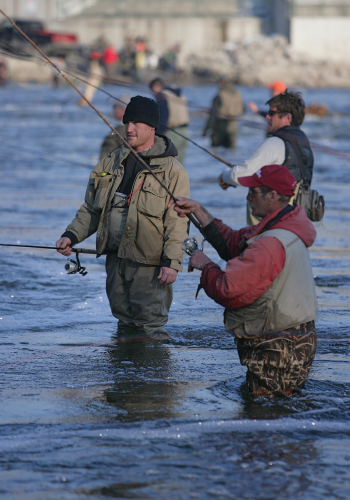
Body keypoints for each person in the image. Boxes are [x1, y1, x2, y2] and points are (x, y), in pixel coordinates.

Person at [170, 164, 318, 397]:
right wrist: (198, 210)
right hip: (299, 337)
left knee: (264, 417)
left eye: (254, 192)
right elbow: (234, 243)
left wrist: (205, 265)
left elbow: (229, 289)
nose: (248, 197)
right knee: (286, 410)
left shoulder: (269, 243)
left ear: (273, 196)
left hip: (276, 344)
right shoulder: (287, 225)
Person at [56, 96, 190, 339]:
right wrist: (71, 235)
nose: (129, 128)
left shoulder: (173, 171)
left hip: (150, 267)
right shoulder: (111, 160)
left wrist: (172, 263)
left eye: (137, 123)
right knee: (124, 325)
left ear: (152, 127)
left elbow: (177, 222)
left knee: (150, 329)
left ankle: (154, 376)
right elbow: (91, 208)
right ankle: (125, 377)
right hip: (115, 260)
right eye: (127, 122)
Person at [218, 90, 314, 225]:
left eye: (272, 114)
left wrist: (224, 176)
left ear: (288, 118)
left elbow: (243, 174)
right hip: (297, 213)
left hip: (272, 217)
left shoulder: (275, 143)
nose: (267, 117)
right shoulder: (304, 141)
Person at [149, 78, 189, 165]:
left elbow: (163, 119)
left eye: (152, 91)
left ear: (155, 87)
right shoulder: (180, 95)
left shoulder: (162, 95)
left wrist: (156, 136)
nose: (154, 94)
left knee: (168, 164)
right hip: (185, 132)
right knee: (179, 165)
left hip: (173, 133)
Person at [203, 77, 244, 149]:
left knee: (215, 151)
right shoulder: (238, 94)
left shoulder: (220, 94)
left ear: (222, 83)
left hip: (220, 127)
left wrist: (206, 129)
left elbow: (213, 115)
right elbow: (243, 109)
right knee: (231, 152)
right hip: (233, 126)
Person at [100, 95, 131, 159]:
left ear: (123, 109)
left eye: (115, 106)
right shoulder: (135, 130)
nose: (113, 109)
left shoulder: (120, 131)